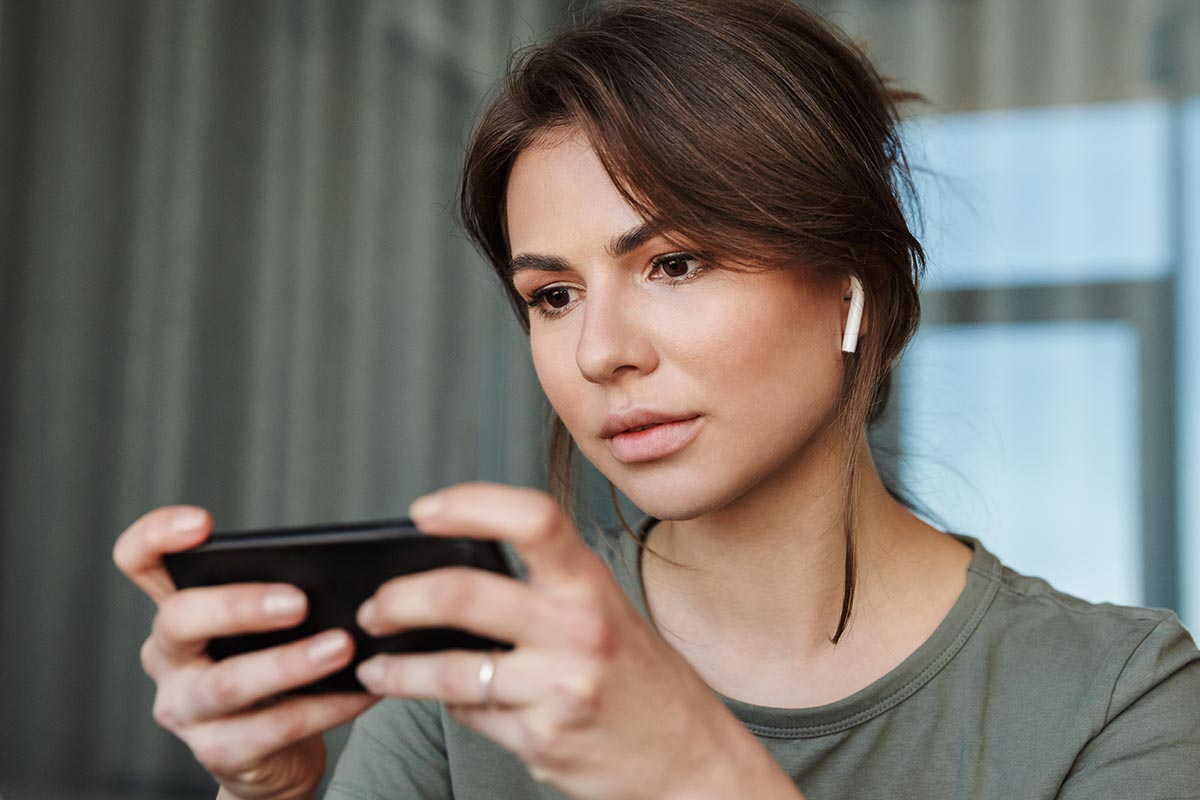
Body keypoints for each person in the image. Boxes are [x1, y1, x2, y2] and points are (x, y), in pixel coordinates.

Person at [112, 1, 1200, 798]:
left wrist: (692, 767)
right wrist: (265, 787)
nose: (599, 351)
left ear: (853, 285)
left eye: (675, 262)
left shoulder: (1119, 697)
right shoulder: (472, 659)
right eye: (552, 293)